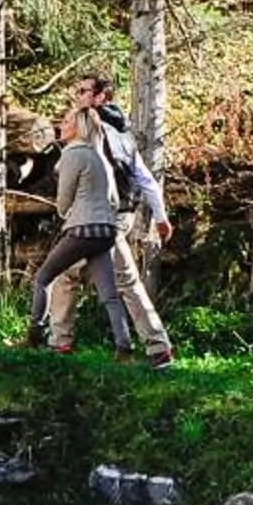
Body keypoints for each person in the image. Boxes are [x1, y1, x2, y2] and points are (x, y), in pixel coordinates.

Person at [43, 71, 177, 368]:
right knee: (72, 274)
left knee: (120, 279)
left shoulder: (94, 131)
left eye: (84, 91)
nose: (78, 97)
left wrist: (72, 209)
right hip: (119, 215)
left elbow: (85, 177)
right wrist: (160, 216)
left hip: (103, 218)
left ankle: (157, 348)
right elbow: (145, 179)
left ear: (101, 97)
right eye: (78, 91)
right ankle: (61, 342)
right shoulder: (123, 133)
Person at [30, 105, 136, 356]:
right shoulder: (101, 158)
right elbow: (114, 201)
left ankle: (35, 336)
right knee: (109, 295)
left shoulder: (72, 154)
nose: (62, 126)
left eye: (67, 122)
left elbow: (63, 200)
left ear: (78, 128)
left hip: (81, 230)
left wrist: (67, 213)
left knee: (43, 278)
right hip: (106, 232)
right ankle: (124, 349)